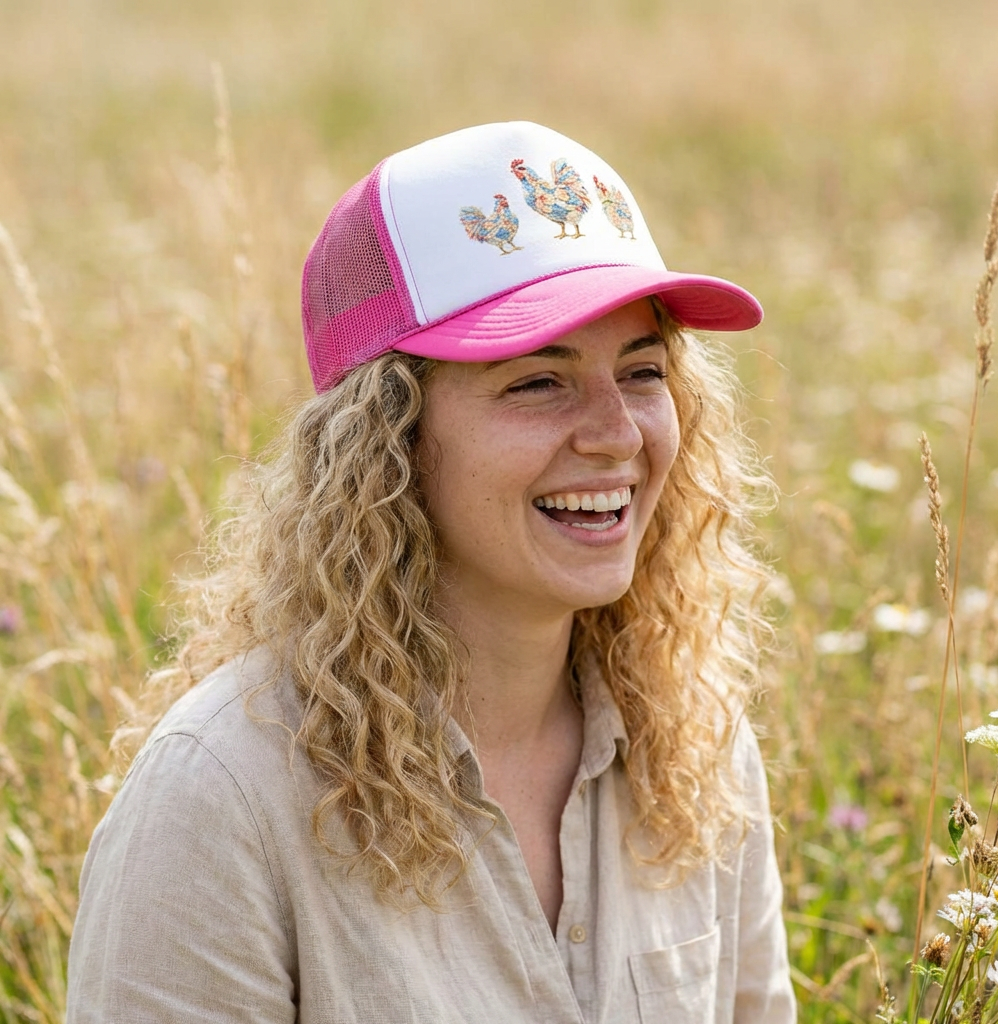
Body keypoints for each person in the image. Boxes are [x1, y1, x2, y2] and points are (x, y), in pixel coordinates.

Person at [66, 121, 796, 1023]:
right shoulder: (221, 798)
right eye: (537, 381)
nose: (617, 433)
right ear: (386, 443)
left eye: (642, 372)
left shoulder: (696, 750)